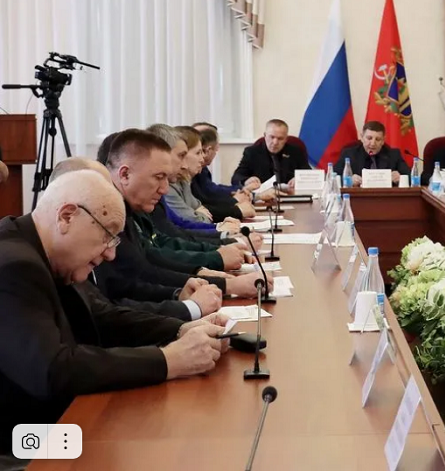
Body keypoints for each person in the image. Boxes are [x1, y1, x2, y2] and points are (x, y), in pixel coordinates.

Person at [0, 169, 229, 461]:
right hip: (17, 442)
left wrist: (180, 330)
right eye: (107, 235)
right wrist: (169, 360)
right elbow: (53, 371)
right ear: (67, 217)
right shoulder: (14, 266)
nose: (110, 255)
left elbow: (101, 316)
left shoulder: (49, 254)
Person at [47, 158, 224, 321]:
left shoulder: (105, 225)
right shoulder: (36, 271)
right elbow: (104, 319)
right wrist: (189, 308)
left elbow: (118, 292)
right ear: (67, 216)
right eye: (158, 177)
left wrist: (177, 296)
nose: (111, 254)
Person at [97, 128, 264, 299]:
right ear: (124, 174)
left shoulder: (130, 207)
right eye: (158, 177)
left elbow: (149, 258)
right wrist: (218, 280)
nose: (165, 189)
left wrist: (200, 273)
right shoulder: (106, 215)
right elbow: (138, 276)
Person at [231, 119, 311, 190]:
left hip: (289, 196)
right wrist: (246, 181)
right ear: (265, 136)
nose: (275, 142)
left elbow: (309, 175)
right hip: (263, 197)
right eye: (272, 137)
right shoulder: (252, 152)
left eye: (280, 138)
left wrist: (300, 179)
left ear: (286, 139)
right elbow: (236, 177)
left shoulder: (296, 152)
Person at [333, 121, 410, 186]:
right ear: (362, 137)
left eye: (378, 139)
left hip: (386, 198)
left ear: (383, 141)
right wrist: (348, 180)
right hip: (357, 197)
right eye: (369, 138)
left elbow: (411, 177)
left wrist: (401, 178)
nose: (373, 143)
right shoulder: (349, 154)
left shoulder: (394, 155)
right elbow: (332, 178)